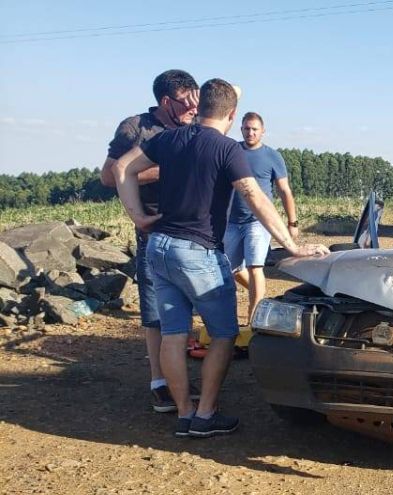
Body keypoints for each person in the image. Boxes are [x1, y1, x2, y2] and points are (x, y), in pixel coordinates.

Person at [112, 78, 329, 438]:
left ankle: (184, 413)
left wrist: (137, 216)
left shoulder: (168, 139)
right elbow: (255, 197)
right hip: (197, 251)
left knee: (173, 335)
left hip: (159, 247)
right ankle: (205, 414)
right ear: (232, 115)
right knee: (225, 334)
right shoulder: (228, 149)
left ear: (199, 107)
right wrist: (291, 245)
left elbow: (122, 168)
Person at [99, 69, 199, 414]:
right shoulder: (136, 128)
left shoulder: (193, 125)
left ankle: (178, 377)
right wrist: (166, 168)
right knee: (156, 310)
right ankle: (160, 383)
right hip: (153, 230)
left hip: (191, 230)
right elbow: (108, 176)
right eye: (186, 102)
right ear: (166, 102)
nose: (193, 108)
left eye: (196, 100)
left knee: (185, 307)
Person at [224, 112, 298, 325]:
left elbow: (284, 190)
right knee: (229, 269)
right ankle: (259, 295)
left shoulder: (272, 156)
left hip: (258, 222)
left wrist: (292, 223)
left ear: (263, 131)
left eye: (254, 129)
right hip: (231, 221)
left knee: (255, 267)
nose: (250, 133)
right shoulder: (232, 152)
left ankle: (253, 319)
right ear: (241, 130)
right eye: (247, 129)